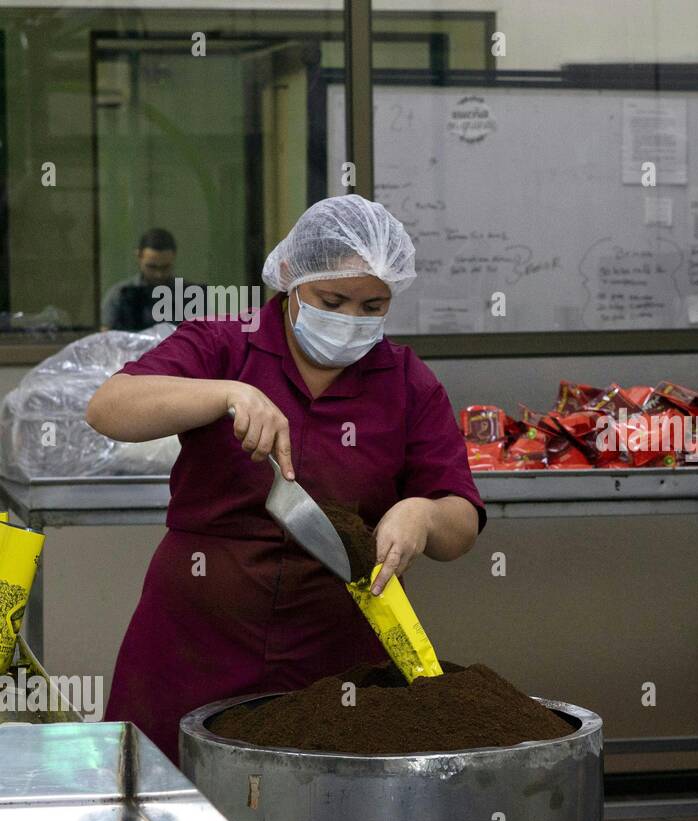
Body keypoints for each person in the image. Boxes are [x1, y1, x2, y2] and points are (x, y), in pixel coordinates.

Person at [86, 195, 484, 761]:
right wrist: (226, 393)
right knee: (163, 809)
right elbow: (109, 407)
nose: (351, 321)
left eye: (373, 306)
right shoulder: (224, 344)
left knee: (315, 818)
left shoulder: (405, 382)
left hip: (331, 659)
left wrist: (422, 513)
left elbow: (460, 520)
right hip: (194, 640)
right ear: (291, 276)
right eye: (332, 300)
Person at [101, 228, 198, 331]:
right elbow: (106, 337)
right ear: (139, 256)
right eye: (152, 267)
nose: (158, 275)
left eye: (165, 267)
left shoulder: (189, 295)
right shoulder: (120, 294)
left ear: (173, 258)